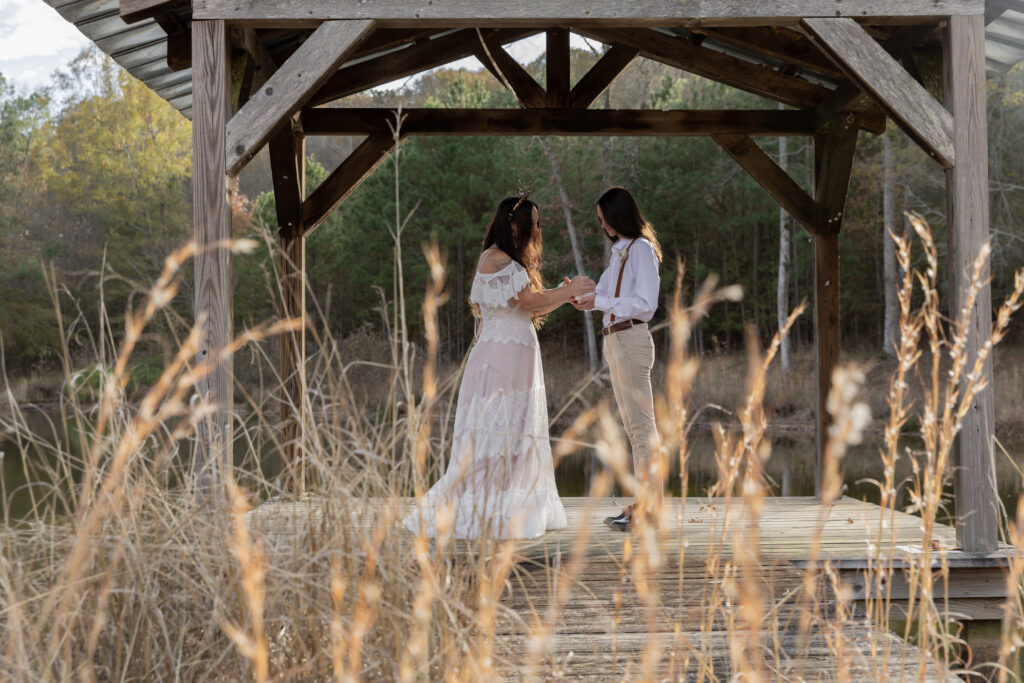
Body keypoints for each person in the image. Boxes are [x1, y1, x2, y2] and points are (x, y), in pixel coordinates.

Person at [404, 195, 595, 539]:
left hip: (515, 353)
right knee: (496, 429)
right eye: (532, 222)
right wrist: (568, 293)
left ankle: (509, 504)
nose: (537, 228)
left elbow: (531, 310)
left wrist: (562, 296)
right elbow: (529, 301)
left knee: (516, 430)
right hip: (502, 357)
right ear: (512, 224)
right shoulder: (497, 258)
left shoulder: (507, 261)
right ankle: (487, 508)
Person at [572, 187, 663, 531]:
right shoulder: (619, 252)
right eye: (600, 221)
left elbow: (645, 304)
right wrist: (583, 297)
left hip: (631, 339)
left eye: (605, 219)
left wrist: (600, 302)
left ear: (619, 214)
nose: (603, 225)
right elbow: (604, 294)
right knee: (633, 428)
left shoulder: (641, 250)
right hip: (614, 341)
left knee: (642, 429)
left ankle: (648, 509)